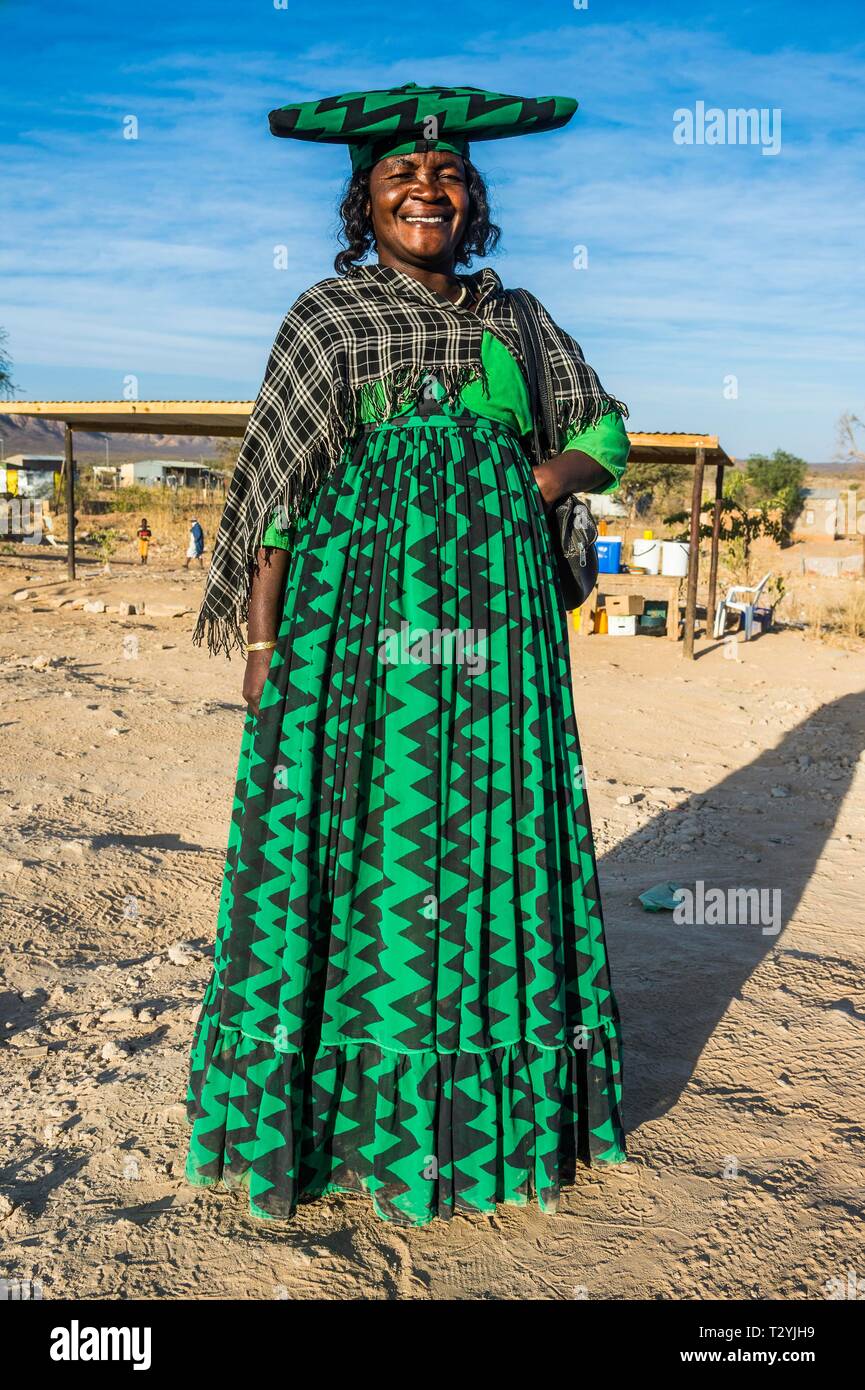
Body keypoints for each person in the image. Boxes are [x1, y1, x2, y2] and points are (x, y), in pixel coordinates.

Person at [186, 83, 629, 1226]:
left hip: (498, 626)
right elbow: (278, 491)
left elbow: (603, 431)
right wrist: (261, 634)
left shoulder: (517, 317)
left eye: (446, 180)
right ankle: (338, 1122)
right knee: (354, 830)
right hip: (351, 624)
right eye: (399, 179)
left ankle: (485, 1118)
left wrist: (539, 479)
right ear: (362, 200)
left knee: (493, 832)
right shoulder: (326, 317)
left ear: (472, 201)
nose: (425, 192)